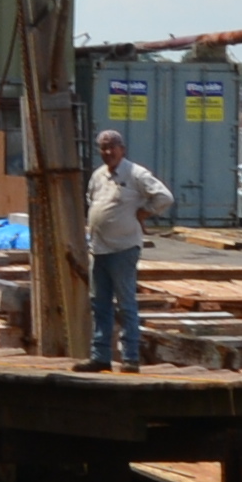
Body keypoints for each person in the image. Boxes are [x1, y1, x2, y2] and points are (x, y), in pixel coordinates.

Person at [80, 125, 173, 368]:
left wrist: (144, 212)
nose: (108, 151)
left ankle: (130, 357)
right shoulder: (98, 175)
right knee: (99, 304)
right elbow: (91, 201)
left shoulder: (136, 174)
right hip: (99, 249)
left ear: (122, 149)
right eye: (103, 147)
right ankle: (100, 356)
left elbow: (164, 197)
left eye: (112, 147)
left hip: (123, 249)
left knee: (125, 304)